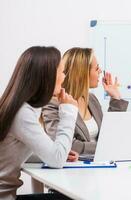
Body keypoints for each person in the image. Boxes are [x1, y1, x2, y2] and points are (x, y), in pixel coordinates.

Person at [0, 46, 78, 199]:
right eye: (62, 71)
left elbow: (11, 153)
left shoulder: (19, 107)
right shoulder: (23, 113)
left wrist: (48, 152)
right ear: (47, 77)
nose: (64, 77)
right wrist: (69, 112)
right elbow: (57, 160)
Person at [42, 47, 128, 155]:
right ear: (82, 73)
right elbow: (69, 146)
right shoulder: (53, 104)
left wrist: (116, 98)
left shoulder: (91, 99)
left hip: (100, 164)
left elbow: (109, 135)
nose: (100, 71)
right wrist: (105, 147)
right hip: (72, 169)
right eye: (97, 68)